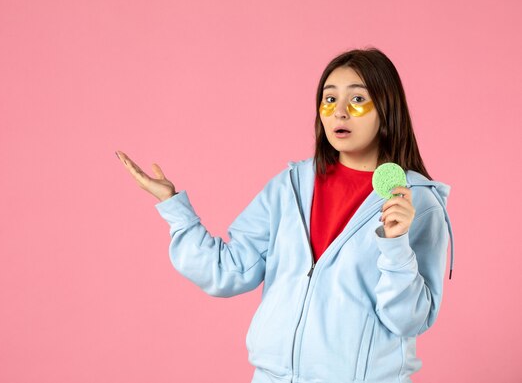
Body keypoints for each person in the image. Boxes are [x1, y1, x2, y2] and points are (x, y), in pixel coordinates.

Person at [115, 47, 454, 383]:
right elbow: (228, 270)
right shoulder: (289, 187)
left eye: (357, 100)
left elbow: (409, 319)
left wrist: (395, 245)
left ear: (386, 107)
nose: (339, 113)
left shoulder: (415, 202)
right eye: (330, 99)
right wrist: (175, 207)